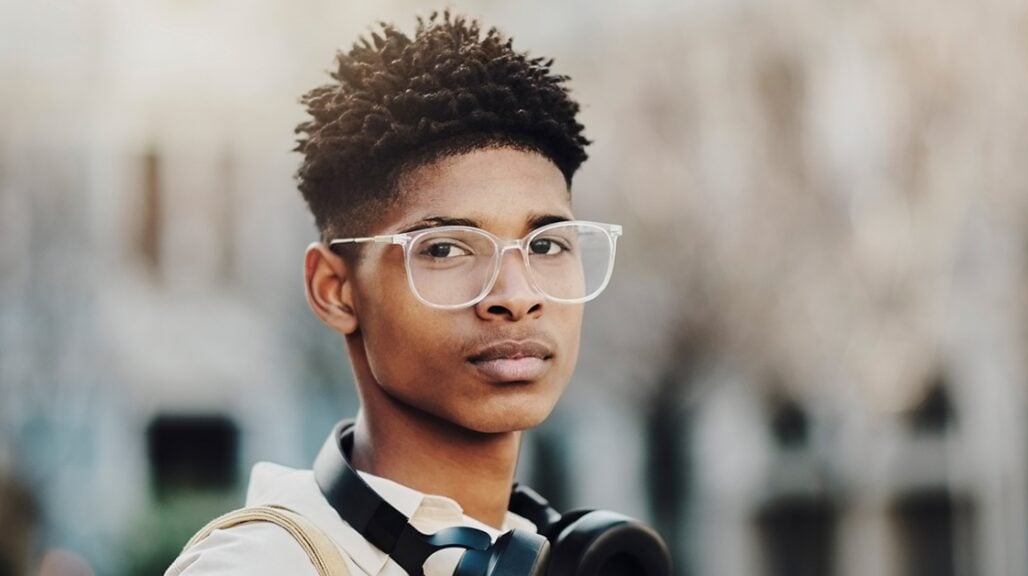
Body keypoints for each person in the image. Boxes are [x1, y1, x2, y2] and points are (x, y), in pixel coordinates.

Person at [166, 11, 663, 576]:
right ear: (336, 291)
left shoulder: (541, 557)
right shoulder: (263, 566)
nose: (517, 295)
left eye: (546, 246)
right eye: (445, 249)